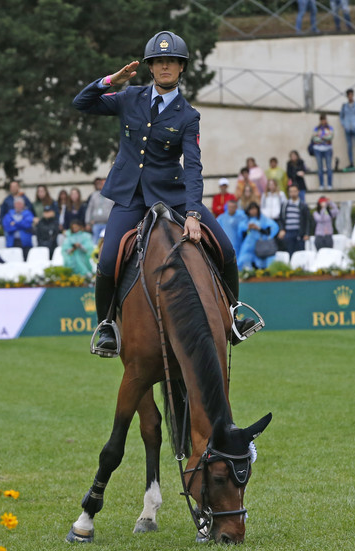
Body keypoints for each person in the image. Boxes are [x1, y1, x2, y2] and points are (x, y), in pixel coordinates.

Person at [72, 30, 252, 356]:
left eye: (171, 61)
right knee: (108, 259)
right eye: (158, 61)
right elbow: (81, 103)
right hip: (131, 197)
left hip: (173, 194)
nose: (165, 66)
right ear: (150, 67)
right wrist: (112, 79)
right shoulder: (129, 97)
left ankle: (234, 314)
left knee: (225, 249)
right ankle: (107, 327)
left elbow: (194, 167)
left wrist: (194, 214)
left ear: (181, 68)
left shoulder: (188, 116)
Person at [237, 202, 279, 270]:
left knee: (261, 265)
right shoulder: (246, 221)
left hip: (261, 247)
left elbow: (269, 231)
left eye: (254, 209)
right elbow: (241, 235)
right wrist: (248, 228)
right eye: (251, 209)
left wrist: (258, 228)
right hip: (249, 248)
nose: (253, 211)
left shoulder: (264, 219)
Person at [278, 185, 311, 256]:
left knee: (300, 254)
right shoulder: (285, 205)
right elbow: (280, 219)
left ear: (298, 192)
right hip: (288, 232)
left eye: (294, 191)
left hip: (299, 233)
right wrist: (282, 229)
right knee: (289, 253)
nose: (293, 193)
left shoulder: (303, 205)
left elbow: (307, 220)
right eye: (291, 191)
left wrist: (307, 233)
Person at [2, 196, 35, 260]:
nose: (18, 205)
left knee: (26, 260)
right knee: (12, 260)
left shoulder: (28, 213)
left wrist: (15, 224)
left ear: (23, 205)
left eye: (20, 204)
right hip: (12, 242)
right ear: (14, 205)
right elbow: (7, 227)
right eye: (17, 204)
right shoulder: (9, 214)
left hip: (25, 243)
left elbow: (27, 225)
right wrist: (20, 225)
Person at [84, 178, 114, 243]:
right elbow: (90, 209)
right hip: (96, 224)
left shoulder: (112, 194)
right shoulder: (94, 195)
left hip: (108, 224)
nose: (103, 185)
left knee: (106, 242)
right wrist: (88, 222)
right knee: (95, 242)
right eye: (101, 183)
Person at [311, 113, 334, 191]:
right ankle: (321, 184)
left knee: (329, 167)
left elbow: (330, 137)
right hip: (318, 149)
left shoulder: (330, 128)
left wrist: (320, 137)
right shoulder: (316, 128)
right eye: (322, 120)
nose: (323, 121)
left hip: (327, 149)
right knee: (320, 168)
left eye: (324, 119)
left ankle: (329, 184)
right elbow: (314, 138)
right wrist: (324, 138)